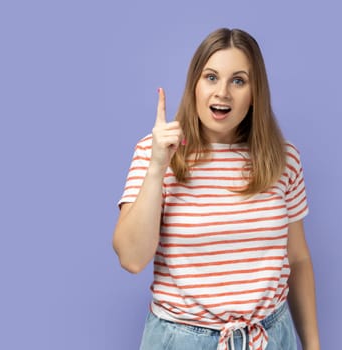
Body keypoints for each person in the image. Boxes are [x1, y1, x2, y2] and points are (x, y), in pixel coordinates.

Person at [112, 27, 320, 350]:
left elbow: (298, 259)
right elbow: (131, 258)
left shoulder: (284, 159)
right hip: (182, 340)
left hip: (269, 338)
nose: (222, 92)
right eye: (211, 77)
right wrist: (156, 168)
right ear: (194, 84)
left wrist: (313, 346)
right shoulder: (153, 153)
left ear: (255, 94)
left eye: (238, 81)